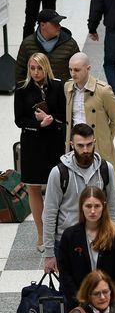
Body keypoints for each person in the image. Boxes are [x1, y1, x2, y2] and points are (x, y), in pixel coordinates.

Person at [42, 123, 115, 274]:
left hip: (99, 238)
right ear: (71, 144)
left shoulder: (106, 169)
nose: (85, 150)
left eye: (89, 144)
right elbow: (49, 213)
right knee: (69, 291)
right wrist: (49, 253)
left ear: (94, 142)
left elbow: (112, 206)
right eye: (80, 145)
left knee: (99, 288)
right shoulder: (59, 173)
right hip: (66, 240)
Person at [13, 53, 66, 253]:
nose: (35, 72)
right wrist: (38, 124)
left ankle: (57, 230)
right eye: (32, 68)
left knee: (57, 186)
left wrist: (51, 119)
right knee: (34, 187)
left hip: (53, 142)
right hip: (32, 143)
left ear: (46, 68)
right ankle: (41, 233)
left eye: (39, 68)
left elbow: (63, 114)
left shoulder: (58, 86)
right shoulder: (21, 89)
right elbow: (19, 119)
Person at [58, 186, 115, 310]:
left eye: (97, 206)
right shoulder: (70, 236)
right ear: (81, 207)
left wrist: (108, 298)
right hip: (79, 306)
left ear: (103, 207)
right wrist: (79, 299)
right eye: (88, 206)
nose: (93, 211)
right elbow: (65, 273)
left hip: (111, 305)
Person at [65, 52, 115, 185]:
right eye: (70, 69)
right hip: (75, 144)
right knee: (77, 185)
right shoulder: (68, 87)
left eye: (77, 70)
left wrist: (105, 138)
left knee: (101, 186)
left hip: (96, 144)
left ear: (88, 68)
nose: (73, 74)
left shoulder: (103, 91)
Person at [15, 9, 80, 82]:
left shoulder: (70, 44)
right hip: (36, 91)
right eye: (55, 23)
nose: (59, 26)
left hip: (62, 91)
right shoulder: (27, 44)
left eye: (58, 23)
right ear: (42, 25)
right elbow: (20, 73)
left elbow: (79, 72)